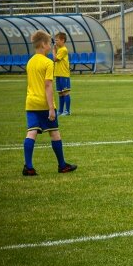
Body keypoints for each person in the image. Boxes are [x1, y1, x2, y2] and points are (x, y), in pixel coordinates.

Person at [23, 30, 77, 176]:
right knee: (55, 133)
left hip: (30, 103)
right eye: (49, 43)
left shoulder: (30, 62)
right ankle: (62, 165)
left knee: (31, 132)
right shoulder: (47, 62)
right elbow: (47, 86)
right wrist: (51, 108)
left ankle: (28, 166)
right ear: (43, 44)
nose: (50, 46)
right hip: (43, 104)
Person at [53, 32, 72, 116]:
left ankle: (67, 111)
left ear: (62, 40)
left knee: (65, 92)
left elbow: (55, 59)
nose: (55, 42)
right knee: (60, 93)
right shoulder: (60, 49)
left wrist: (53, 51)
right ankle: (60, 111)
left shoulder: (63, 49)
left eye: (57, 40)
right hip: (58, 74)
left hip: (64, 74)